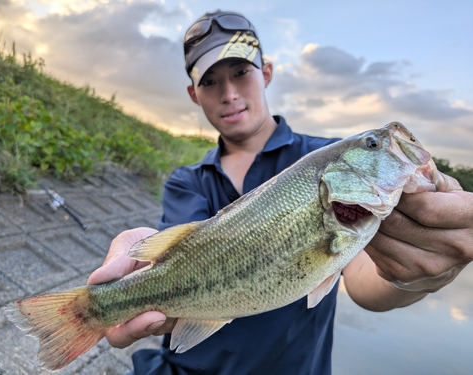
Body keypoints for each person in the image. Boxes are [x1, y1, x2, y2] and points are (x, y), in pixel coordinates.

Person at [88, 10, 473, 375]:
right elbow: (182, 257)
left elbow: (362, 279)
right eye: (210, 81)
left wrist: (418, 276)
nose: (228, 93)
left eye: (240, 72)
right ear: (193, 94)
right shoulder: (187, 180)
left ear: (266, 73)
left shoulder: (318, 158)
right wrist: (133, 276)